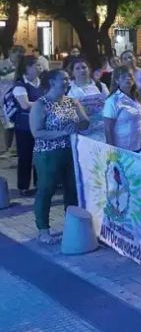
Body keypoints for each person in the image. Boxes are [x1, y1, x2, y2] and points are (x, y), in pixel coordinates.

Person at [30, 69, 89, 244]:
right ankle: (43, 230)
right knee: (46, 190)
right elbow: (37, 132)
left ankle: (72, 225)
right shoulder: (41, 104)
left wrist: (77, 124)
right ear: (52, 82)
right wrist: (62, 132)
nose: (66, 81)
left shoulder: (72, 102)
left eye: (67, 78)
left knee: (72, 189)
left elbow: (86, 122)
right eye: (62, 79)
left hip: (71, 152)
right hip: (48, 154)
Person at [12, 56, 45, 196]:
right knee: (25, 157)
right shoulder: (20, 85)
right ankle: (23, 187)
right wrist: (44, 103)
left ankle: (40, 185)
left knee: (41, 156)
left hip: (41, 125)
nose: (40, 67)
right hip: (24, 127)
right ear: (28, 68)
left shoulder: (42, 83)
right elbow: (25, 105)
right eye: (37, 65)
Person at [102, 66, 141, 151]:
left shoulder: (137, 98)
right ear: (117, 81)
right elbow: (108, 129)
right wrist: (112, 151)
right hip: (123, 149)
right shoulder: (112, 100)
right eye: (123, 77)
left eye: (130, 75)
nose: (127, 78)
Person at [68, 58, 109, 142]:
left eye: (84, 67)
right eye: (77, 68)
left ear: (89, 69)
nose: (82, 70)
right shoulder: (68, 88)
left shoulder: (100, 86)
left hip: (100, 132)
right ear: (73, 72)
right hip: (79, 133)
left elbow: (109, 105)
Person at [0, 45, 24, 156]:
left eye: (21, 55)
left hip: (20, 98)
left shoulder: (23, 66)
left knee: (19, 124)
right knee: (8, 124)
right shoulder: (3, 65)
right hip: (5, 99)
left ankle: (16, 148)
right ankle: (8, 148)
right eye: (17, 55)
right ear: (11, 53)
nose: (19, 57)